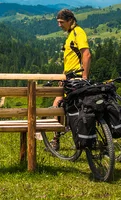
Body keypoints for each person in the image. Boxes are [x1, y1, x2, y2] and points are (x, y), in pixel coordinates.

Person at [49, 9, 92, 149]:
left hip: (76, 78)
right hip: (69, 77)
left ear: (70, 21)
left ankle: (56, 139)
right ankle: (59, 135)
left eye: (61, 22)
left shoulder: (78, 33)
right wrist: (63, 75)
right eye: (58, 22)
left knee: (58, 103)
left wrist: (84, 76)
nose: (59, 25)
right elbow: (70, 59)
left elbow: (86, 54)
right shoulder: (70, 35)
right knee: (60, 103)